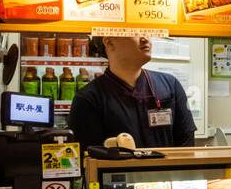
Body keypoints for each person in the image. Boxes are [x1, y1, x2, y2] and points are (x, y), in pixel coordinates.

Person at [68, 35, 197, 151]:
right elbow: (89, 158)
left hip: (168, 176)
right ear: (109, 42)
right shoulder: (89, 98)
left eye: (147, 32)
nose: (145, 38)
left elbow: (187, 144)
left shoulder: (170, 85)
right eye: (136, 33)